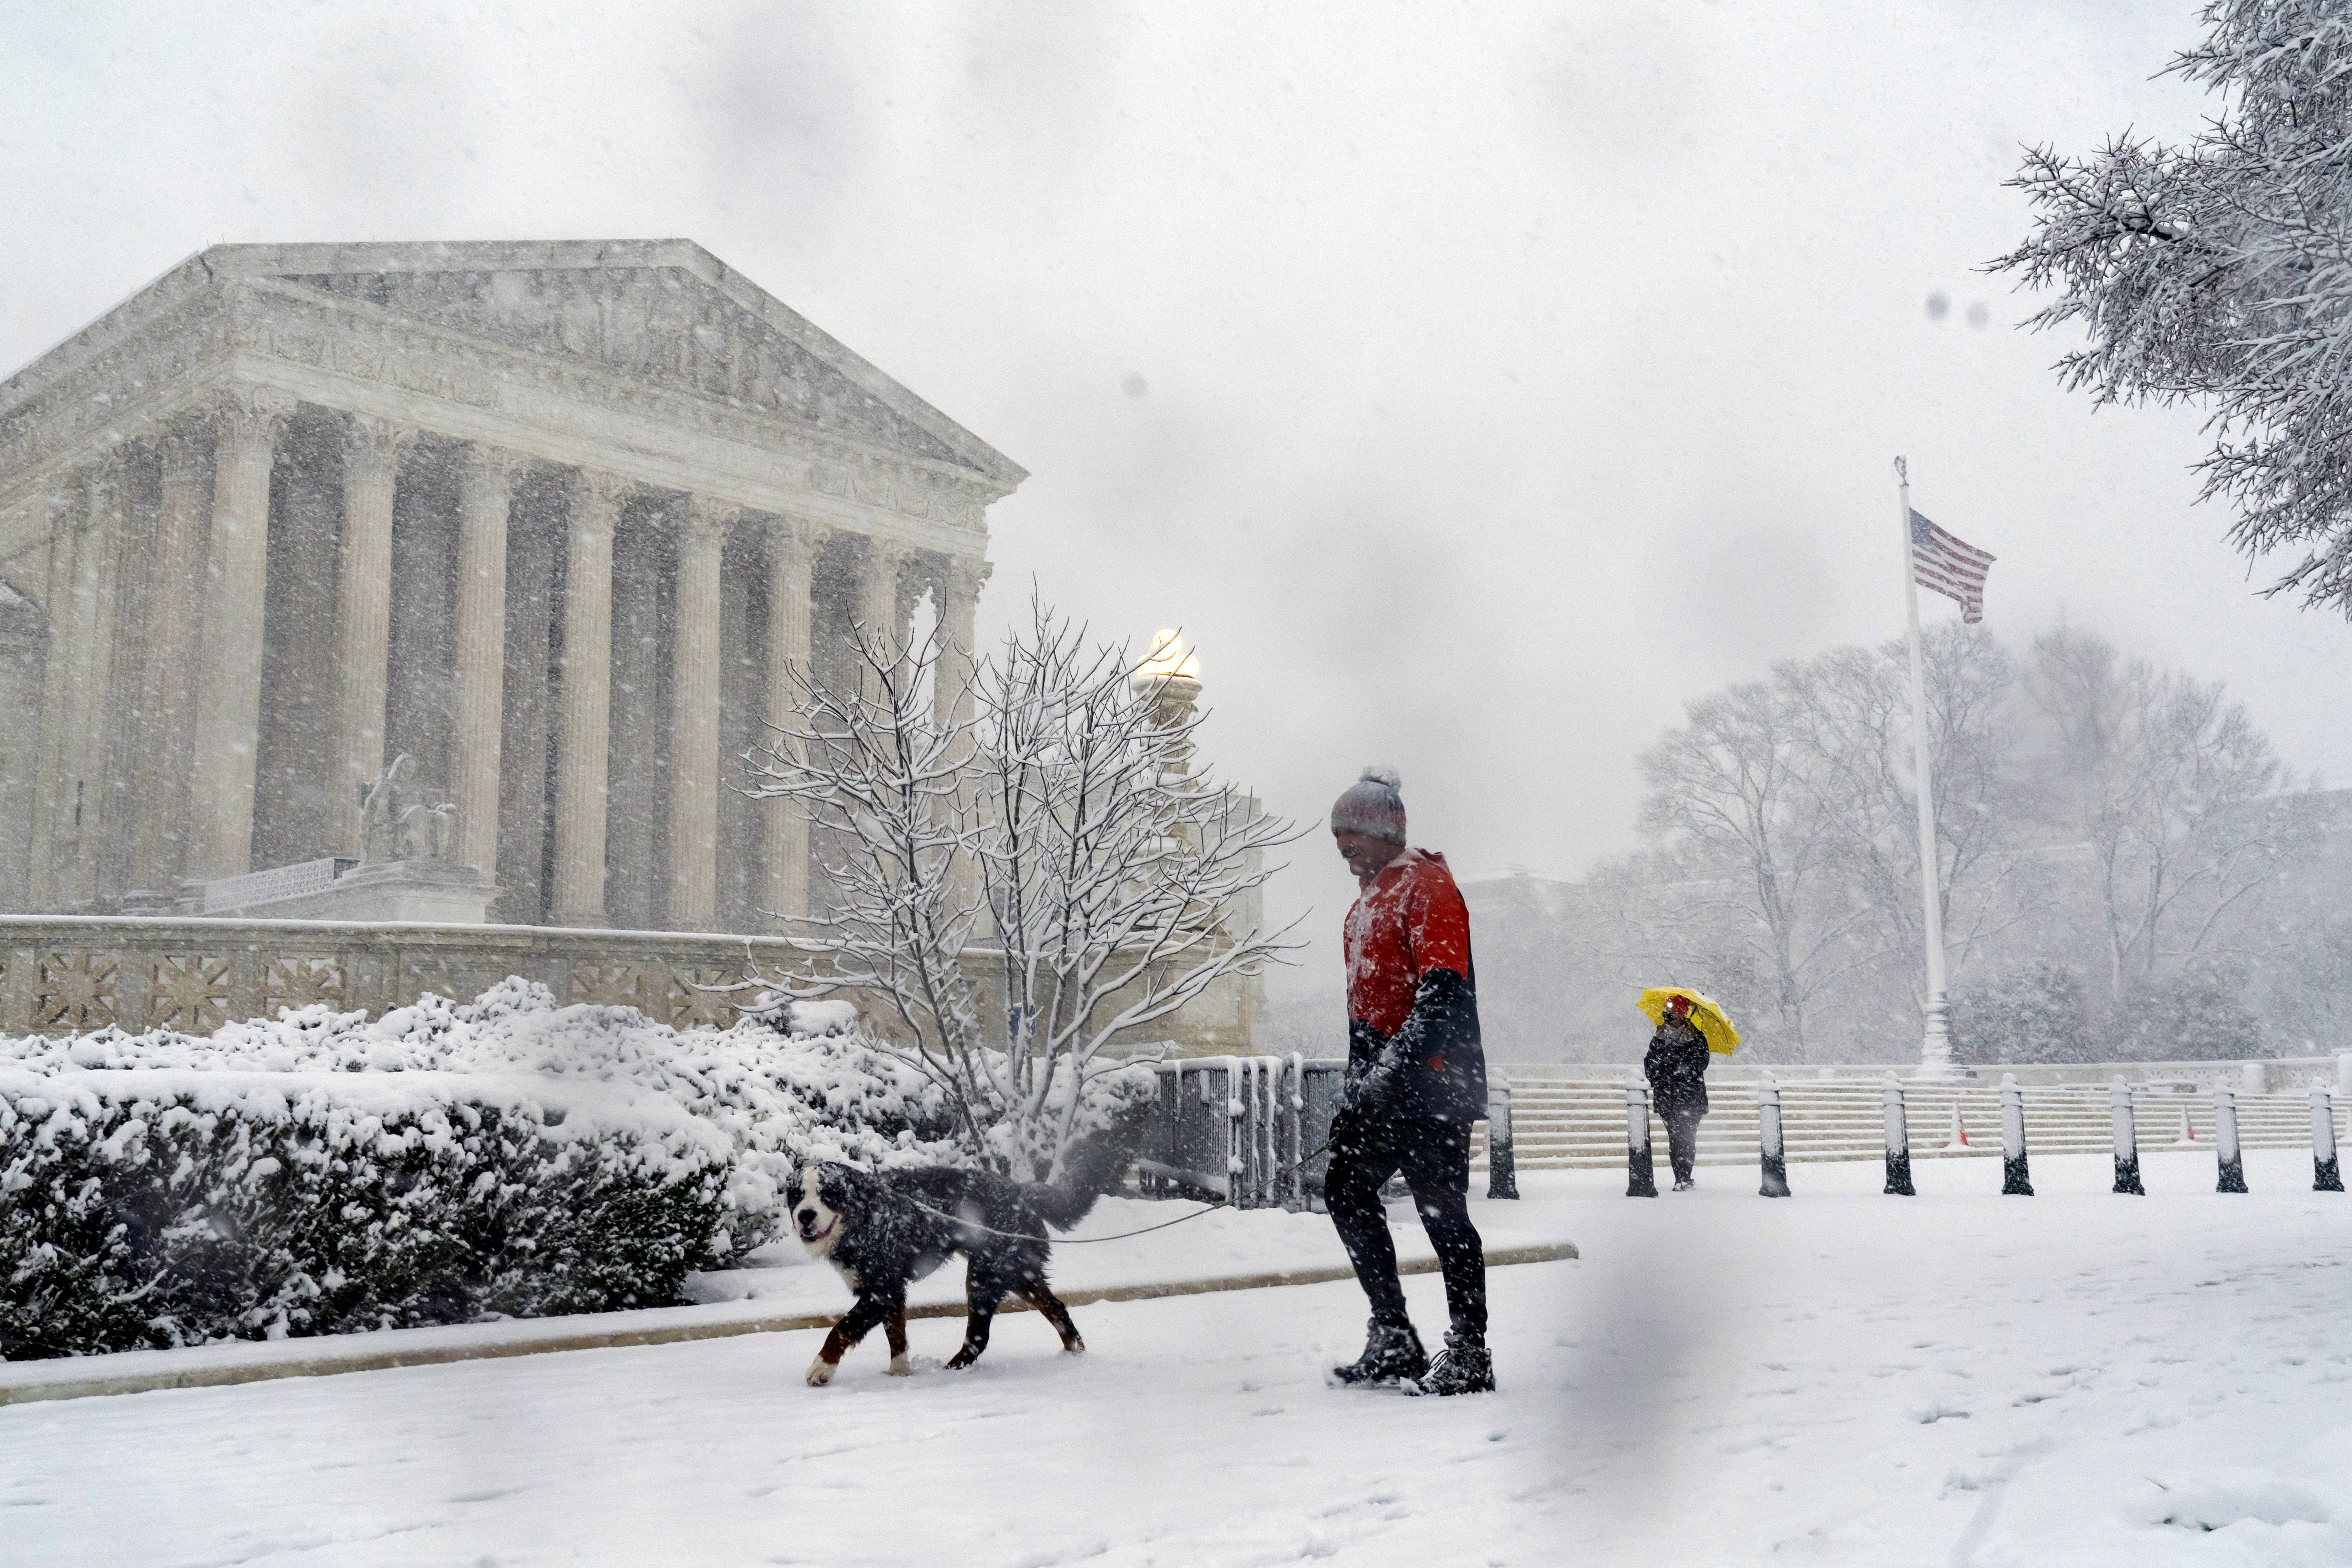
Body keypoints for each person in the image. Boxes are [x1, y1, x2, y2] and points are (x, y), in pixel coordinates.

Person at [1323, 766, 1493, 1395]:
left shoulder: (1430, 887)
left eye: (1353, 834)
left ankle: (1470, 1351)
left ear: (1386, 831)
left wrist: (1391, 1073)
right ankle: (1393, 1336)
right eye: (1337, 836)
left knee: (1443, 1214)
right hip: (1382, 1082)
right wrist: (1357, 1087)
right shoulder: (1363, 904)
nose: (1342, 847)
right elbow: (1364, 1011)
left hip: (1434, 1082)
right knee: (1344, 1188)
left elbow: (1442, 996)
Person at [1644, 993, 1710, 1191]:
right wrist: (1665, 1067)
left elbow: (1702, 1063)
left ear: (1681, 1015)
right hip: (1667, 1098)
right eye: (1667, 1012)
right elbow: (1650, 1066)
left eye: (1672, 1013)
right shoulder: (1659, 1036)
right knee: (1675, 1138)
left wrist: (1681, 1064)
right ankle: (1680, 1177)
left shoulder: (1697, 1037)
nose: (1668, 1015)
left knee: (1688, 1137)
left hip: (1691, 1097)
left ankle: (1685, 1176)